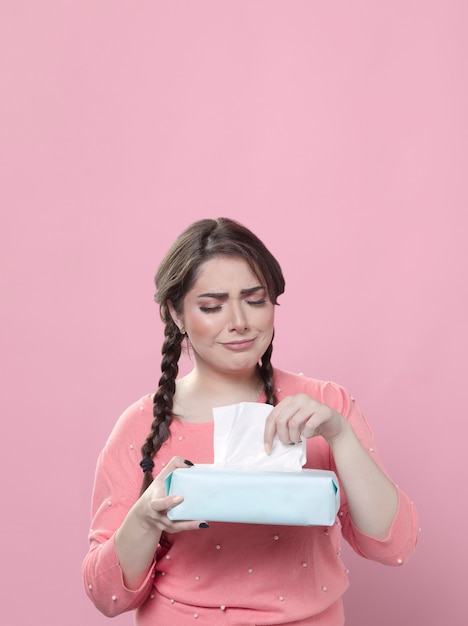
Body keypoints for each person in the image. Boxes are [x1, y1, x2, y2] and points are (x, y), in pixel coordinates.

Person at [82, 217, 419, 626]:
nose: (239, 321)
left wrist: (340, 435)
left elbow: (393, 546)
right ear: (176, 313)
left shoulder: (326, 406)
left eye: (255, 300)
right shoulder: (142, 426)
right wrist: (145, 518)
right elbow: (108, 596)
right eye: (212, 306)